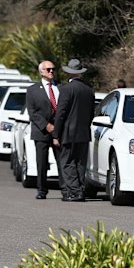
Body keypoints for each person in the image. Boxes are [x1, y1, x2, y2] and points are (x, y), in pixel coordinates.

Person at [52, 59, 95, 202]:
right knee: (80, 163)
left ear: (68, 73)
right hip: (83, 132)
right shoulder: (89, 90)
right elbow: (91, 114)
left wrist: (56, 134)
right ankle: (80, 189)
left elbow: (61, 113)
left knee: (67, 162)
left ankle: (75, 192)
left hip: (68, 133)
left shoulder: (65, 89)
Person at [26, 60, 63, 200]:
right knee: (42, 162)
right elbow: (32, 112)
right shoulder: (32, 90)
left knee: (62, 160)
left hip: (59, 131)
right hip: (41, 132)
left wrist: (58, 128)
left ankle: (65, 188)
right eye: (48, 69)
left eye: (53, 69)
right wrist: (47, 126)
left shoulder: (61, 87)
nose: (51, 71)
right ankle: (41, 189)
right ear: (41, 71)